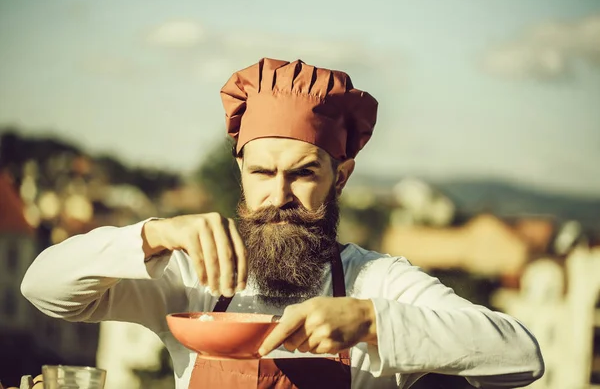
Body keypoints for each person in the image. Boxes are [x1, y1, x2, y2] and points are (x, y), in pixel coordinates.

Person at [21, 58, 544, 389]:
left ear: (341, 178)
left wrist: (370, 322)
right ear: (241, 174)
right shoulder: (192, 276)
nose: (278, 195)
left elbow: (521, 355)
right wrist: (154, 233)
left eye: (303, 174)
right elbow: (44, 288)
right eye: (262, 172)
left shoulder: (377, 282)